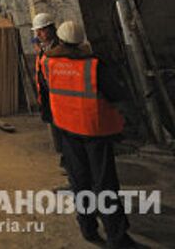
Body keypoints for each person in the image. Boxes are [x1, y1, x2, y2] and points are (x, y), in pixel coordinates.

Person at [43, 21, 138, 249]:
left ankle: (88, 228)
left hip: (66, 130)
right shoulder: (94, 66)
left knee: (79, 181)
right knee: (105, 184)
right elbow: (117, 95)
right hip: (93, 131)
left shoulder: (49, 63)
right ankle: (117, 237)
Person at [32, 13, 65, 168]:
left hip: (61, 98)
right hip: (48, 97)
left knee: (66, 135)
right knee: (58, 132)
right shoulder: (43, 49)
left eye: (42, 30)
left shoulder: (61, 49)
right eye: (37, 31)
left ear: (51, 29)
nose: (38, 34)